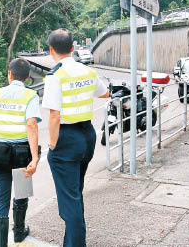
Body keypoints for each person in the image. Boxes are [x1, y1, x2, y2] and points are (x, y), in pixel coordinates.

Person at [42, 28, 110, 246]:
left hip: (66, 139)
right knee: (75, 192)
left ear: (51, 50)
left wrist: (53, 145)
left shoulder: (55, 75)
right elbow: (104, 93)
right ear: (73, 48)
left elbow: (54, 115)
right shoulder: (87, 71)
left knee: (70, 199)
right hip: (87, 136)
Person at [0, 58, 41, 247]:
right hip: (22, 153)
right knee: (22, 192)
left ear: (9, 74)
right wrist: (35, 156)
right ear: (28, 77)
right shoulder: (30, 96)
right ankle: (19, 233)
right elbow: (31, 125)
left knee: (1, 198)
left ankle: (0, 245)